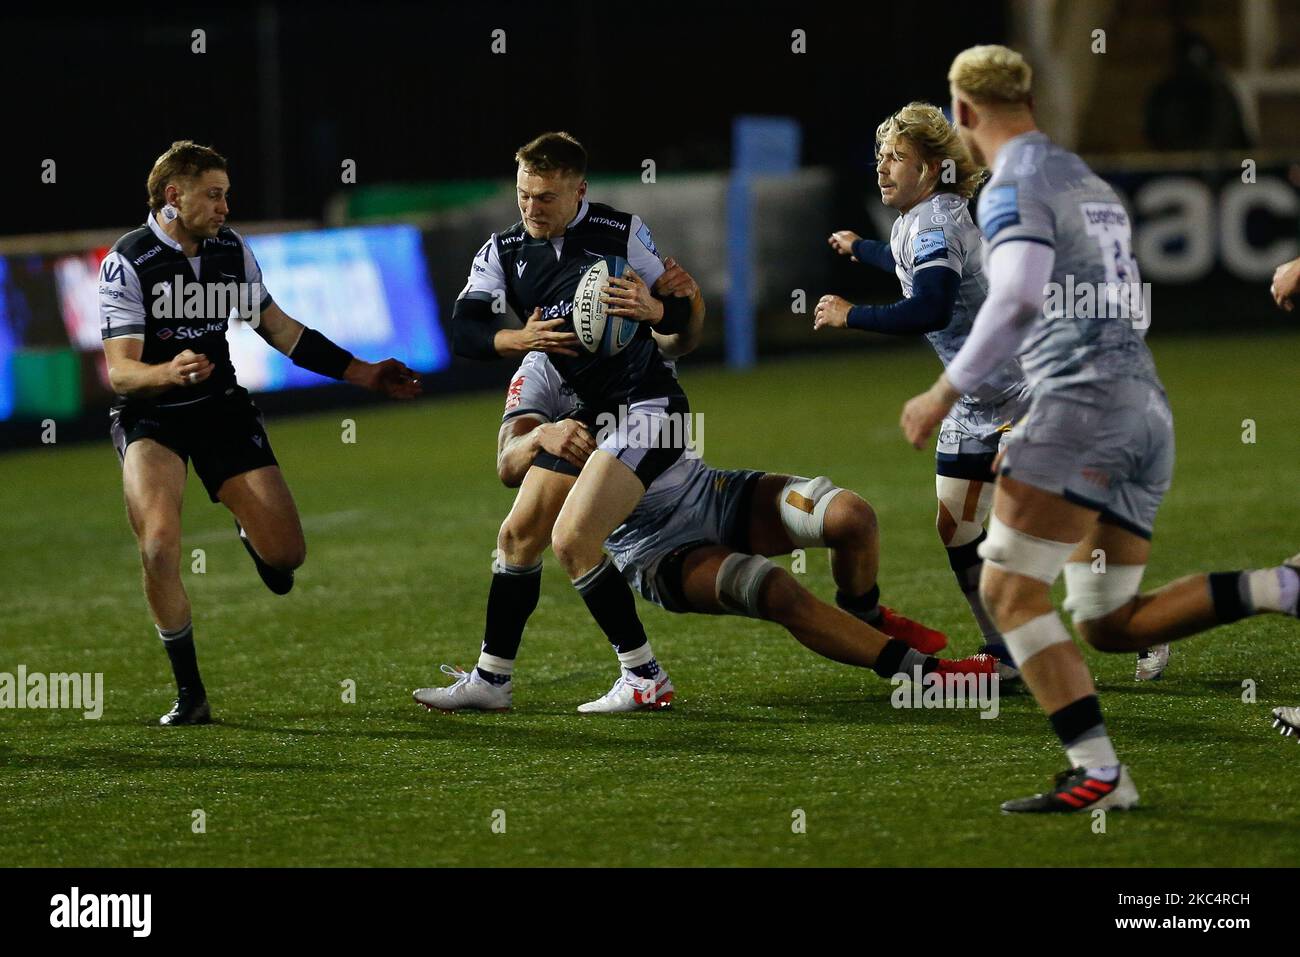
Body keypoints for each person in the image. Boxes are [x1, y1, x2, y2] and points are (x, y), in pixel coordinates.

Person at [899, 46, 1299, 813]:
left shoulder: (1012, 183)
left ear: (964, 113)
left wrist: (943, 390)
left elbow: (1014, 298)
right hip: (1144, 406)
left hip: (1080, 410)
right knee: (1109, 620)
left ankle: (1100, 773)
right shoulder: (1086, 179)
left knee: (1008, 591)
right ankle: (1283, 585)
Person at [414, 345, 997, 716]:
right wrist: (542, 436)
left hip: (712, 492)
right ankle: (929, 678)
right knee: (774, 589)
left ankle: (865, 617)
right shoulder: (540, 369)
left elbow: (685, 332)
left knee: (852, 517)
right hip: (655, 547)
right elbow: (507, 464)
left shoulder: (636, 336)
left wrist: (680, 298)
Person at [100, 141, 421, 725]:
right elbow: (119, 369)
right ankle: (191, 695)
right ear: (175, 196)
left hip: (220, 408)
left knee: (287, 556)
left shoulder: (230, 250)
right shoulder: (129, 261)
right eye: (214, 194)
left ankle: (255, 537)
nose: (225, 206)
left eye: (226, 195)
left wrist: (363, 373)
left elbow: (281, 331)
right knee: (159, 544)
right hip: (152, 415)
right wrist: (165, 372)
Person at [449, 131, 719, 710]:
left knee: (572, 538)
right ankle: (492, 680)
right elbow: (465, 327)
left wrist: (656, 308)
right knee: (518, 534)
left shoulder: (621, 233)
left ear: (579, 191)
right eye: (523, 195)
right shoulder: (502, 250)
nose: (530, 209)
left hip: (647, 407)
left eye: (544, 197)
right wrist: (516, 338)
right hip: (585, 413)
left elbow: (676, 301)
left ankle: (645, 677)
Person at [815, 101, 1030, 678]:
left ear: (932, 169)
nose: (882, 168)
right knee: (956, 527)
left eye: (897, 158)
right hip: (974, 403)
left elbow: (929, 307)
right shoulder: (919, 217)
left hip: (1024, 397)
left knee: (1040, 526)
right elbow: (905, 261)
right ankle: (1005, 655)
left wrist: (850, 314)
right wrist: (860, 248)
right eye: (880, 157)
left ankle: (1127, 621)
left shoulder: (937, 221)